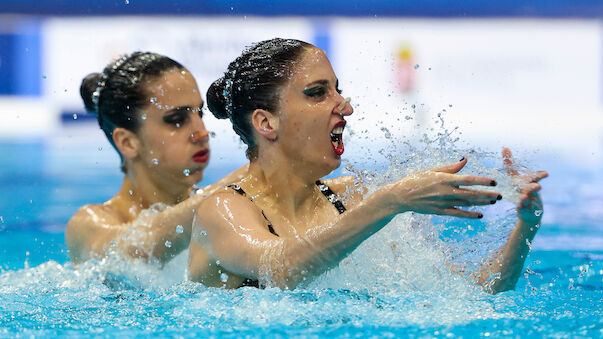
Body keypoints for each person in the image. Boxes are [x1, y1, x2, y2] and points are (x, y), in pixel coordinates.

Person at [187, 39, 547, 293]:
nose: (345, 106)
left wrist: (525, 227)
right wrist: (389, 202)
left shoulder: (351, 200)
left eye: (337, 90)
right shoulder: (223, 210)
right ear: (267, 124)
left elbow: (470, 296)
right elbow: (280, 269)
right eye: (317, 93)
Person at [66, 52, 246, 265]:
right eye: (177, 120)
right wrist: (248, 178)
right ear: (128, 142)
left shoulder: (233, 214)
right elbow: (135, 252)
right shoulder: (89, 225)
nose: (201, 132)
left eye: (199, 114)